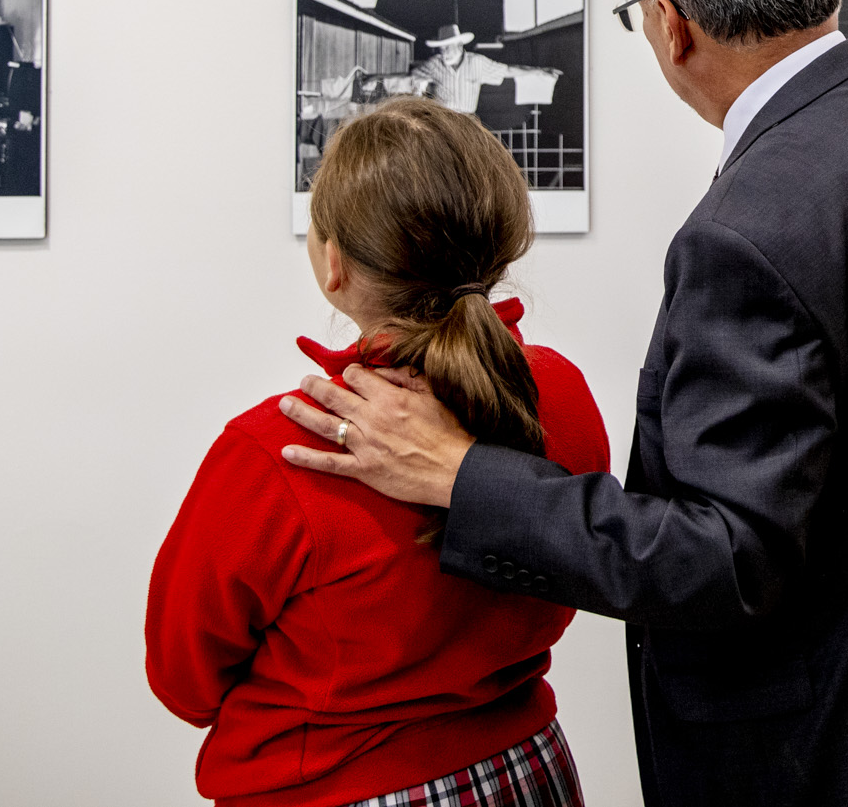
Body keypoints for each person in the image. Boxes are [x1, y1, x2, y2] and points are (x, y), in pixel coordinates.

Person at [283, 0, 848, 807]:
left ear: (670, 22)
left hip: (834, 750)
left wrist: (460, 476)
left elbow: (723, 559)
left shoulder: (752, 223)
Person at [148, 98, 611, 807]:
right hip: (528, 771)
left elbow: (183, 679)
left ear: (333, 262)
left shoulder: (279, 450)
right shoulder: (560, 393)